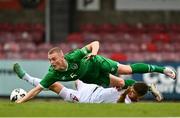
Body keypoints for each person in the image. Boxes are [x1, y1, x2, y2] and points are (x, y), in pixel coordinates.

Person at [13, 41, 174, 103]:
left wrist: (94, 53)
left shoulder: (74, 56)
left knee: (126, 70)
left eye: (54, 59)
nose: (51, 62)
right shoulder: (53, 73)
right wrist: (21, 102)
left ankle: (162, 70)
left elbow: (94, 43)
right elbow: (38, 90)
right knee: (121, 83)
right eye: (49, 60)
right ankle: (149, 88)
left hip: (96, 64)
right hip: (93, 81)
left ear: (62, 57)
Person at [13, 64, 162, 103]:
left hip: (84, 99)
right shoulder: (131, 88)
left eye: (133, 92)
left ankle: (25, 77)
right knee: (78, 75)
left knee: (54, 85)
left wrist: (125, 93)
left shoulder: (127, 103)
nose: (130, 90)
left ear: (137, 97)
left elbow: (124, 100)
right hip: (92, 88)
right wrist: (150, 88)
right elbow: (131, 83)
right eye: (131, 90)